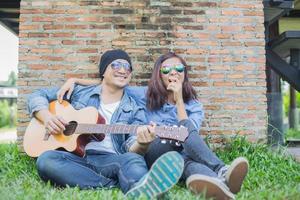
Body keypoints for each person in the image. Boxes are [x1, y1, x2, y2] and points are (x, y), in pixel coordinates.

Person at [58, 52, 249, 200]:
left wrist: (179, 100)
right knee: (177, 142)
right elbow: (112, 82)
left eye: (179, 69)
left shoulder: (194, 105)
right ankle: (221, 169)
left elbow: (192, 137)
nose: (173, 73)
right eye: (166, 69)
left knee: (185, 159)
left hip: (179, 153)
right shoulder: (145, 94)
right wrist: (75, 80)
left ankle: (221, 185)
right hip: (153, 148)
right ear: (160, 74)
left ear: (185, 73)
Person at [27, 49, 185, 199]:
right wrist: (47, 118)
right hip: (75, 158)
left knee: (132, 160)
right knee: (46, 160)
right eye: (116, 65)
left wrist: (142, 144)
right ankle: (112, 184)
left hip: (111, 160)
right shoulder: (80, 92)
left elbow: (131, 146)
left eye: (127, 67)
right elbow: (37, 95)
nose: (123, 70)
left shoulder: (135, 109)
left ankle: (142, 189)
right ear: (103, 71)